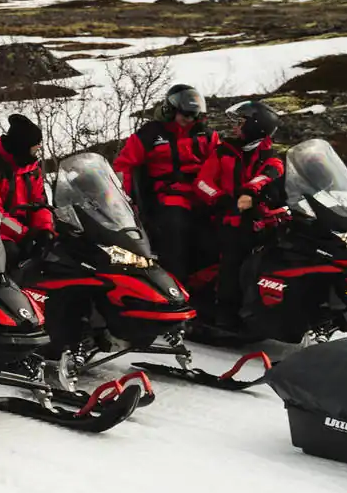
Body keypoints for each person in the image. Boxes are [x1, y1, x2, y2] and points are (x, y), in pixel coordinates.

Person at [193, 100, 285, 332]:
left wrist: (250, 194)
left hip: (260, 218)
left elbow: (267, 176)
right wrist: (222, 199)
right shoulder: (224, 151)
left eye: (240, 123)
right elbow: (202, 183)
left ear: (255, 126)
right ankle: (226, 311)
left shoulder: (271, 157)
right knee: (234, 254)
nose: (234, 127)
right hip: (227, 217)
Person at [114, 84, 219, 282]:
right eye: (186, 115)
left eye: (195, 116)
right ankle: (176, 283)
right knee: (175, 233)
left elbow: (221, 162)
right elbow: (124, 166)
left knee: (218, 232)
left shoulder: (206, 135)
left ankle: (209, 285)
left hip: (203, 193)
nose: (190, 120)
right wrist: (126, 200)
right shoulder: (149, 135)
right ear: (171, 111)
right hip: (168, 195)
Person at [0, 113, 54, 262]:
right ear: (21, 148)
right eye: (34, 150)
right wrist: (25, 234)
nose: (36, 155)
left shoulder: (31, 169)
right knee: (12, 254)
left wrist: (44, 230)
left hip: (22, 230)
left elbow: (40, 202)